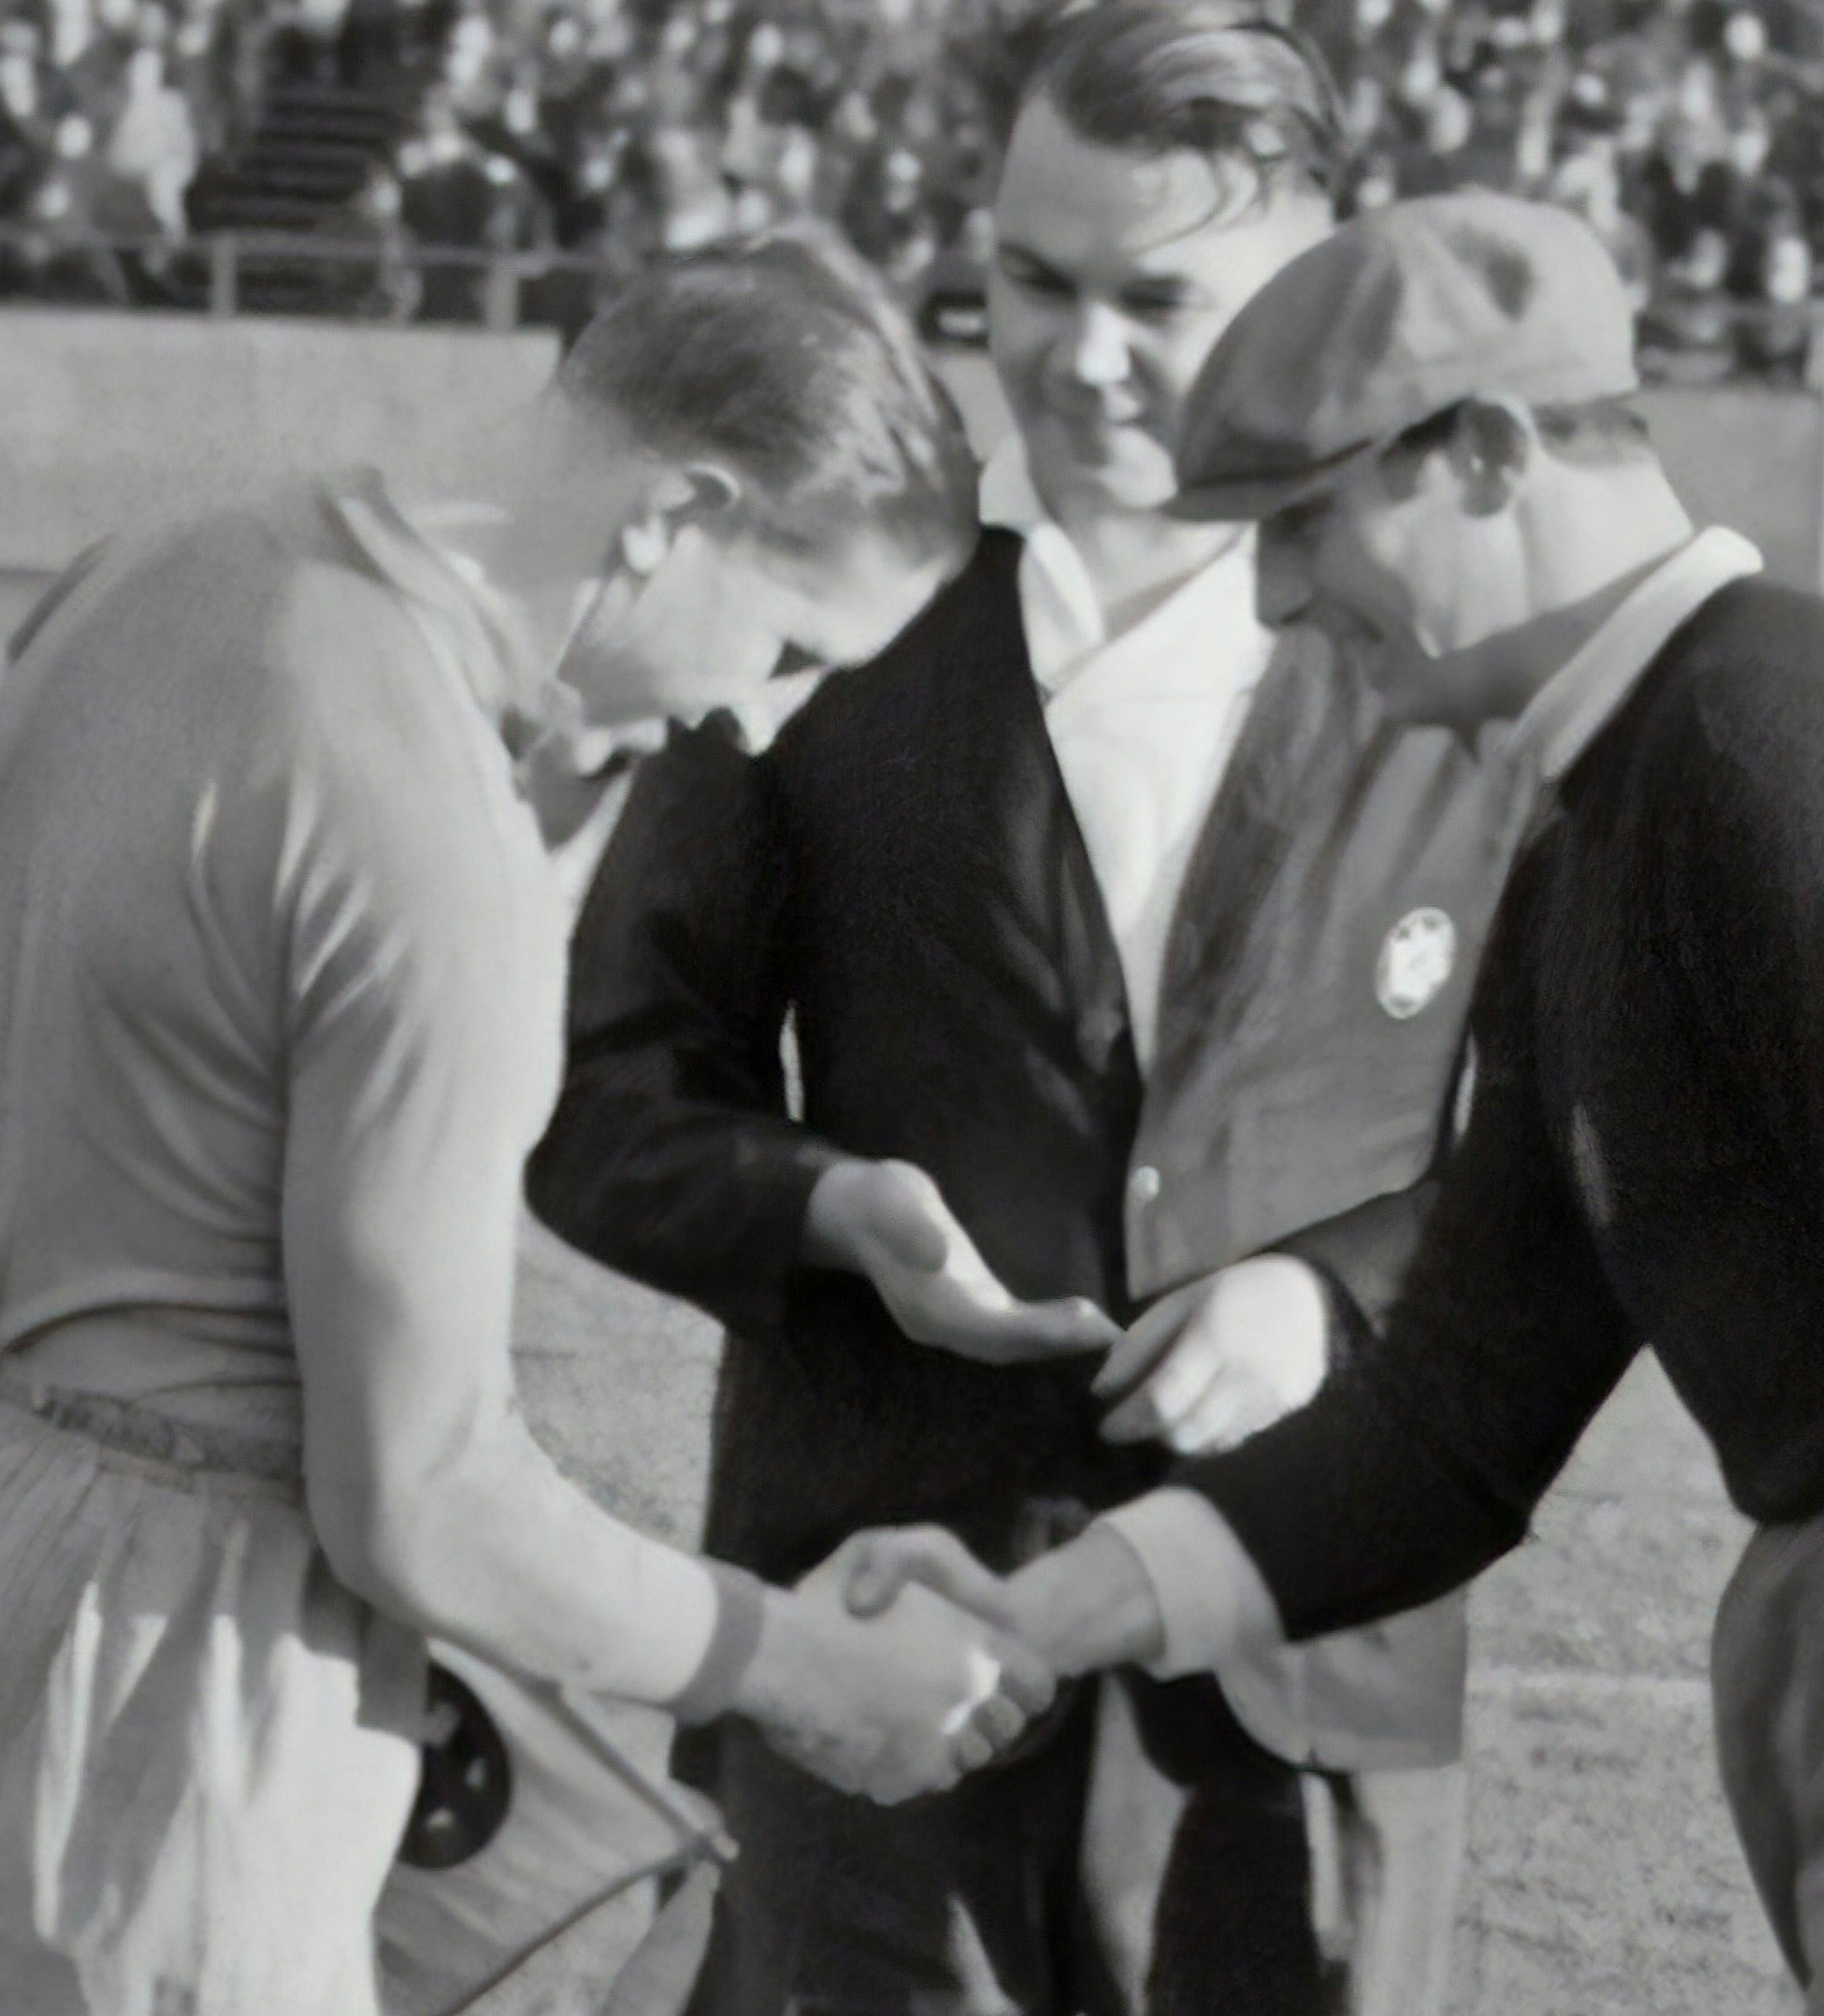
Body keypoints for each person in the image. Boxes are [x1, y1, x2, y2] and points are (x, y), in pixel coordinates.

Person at [857, 193, 1824, 2016]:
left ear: (1492, 455)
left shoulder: (1766, 762)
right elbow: (1455, 1419)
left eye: (1309, 521)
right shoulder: (1615, 810)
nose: (1272, 596)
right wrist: (1045, 1613)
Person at [0, 228, 1044, 2016]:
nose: (757, 724)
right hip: (169, 1652)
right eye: (791, 641)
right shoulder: (429, 817)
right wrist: (793, 1658)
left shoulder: (167, 567)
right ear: (675, 512)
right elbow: (423, 1498)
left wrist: (146, 1265)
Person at [525, 6, 1522, 2012]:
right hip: (884, 1645)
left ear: (1312, 286)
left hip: (1304, 1663)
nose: (1081, 354)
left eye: (1158, 297)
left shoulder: (1464, 656)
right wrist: (829, 1209)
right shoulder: (829, 619)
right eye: (1030, 282)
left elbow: (1585, 1150)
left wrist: (1330, 1293)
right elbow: (606, 1098)